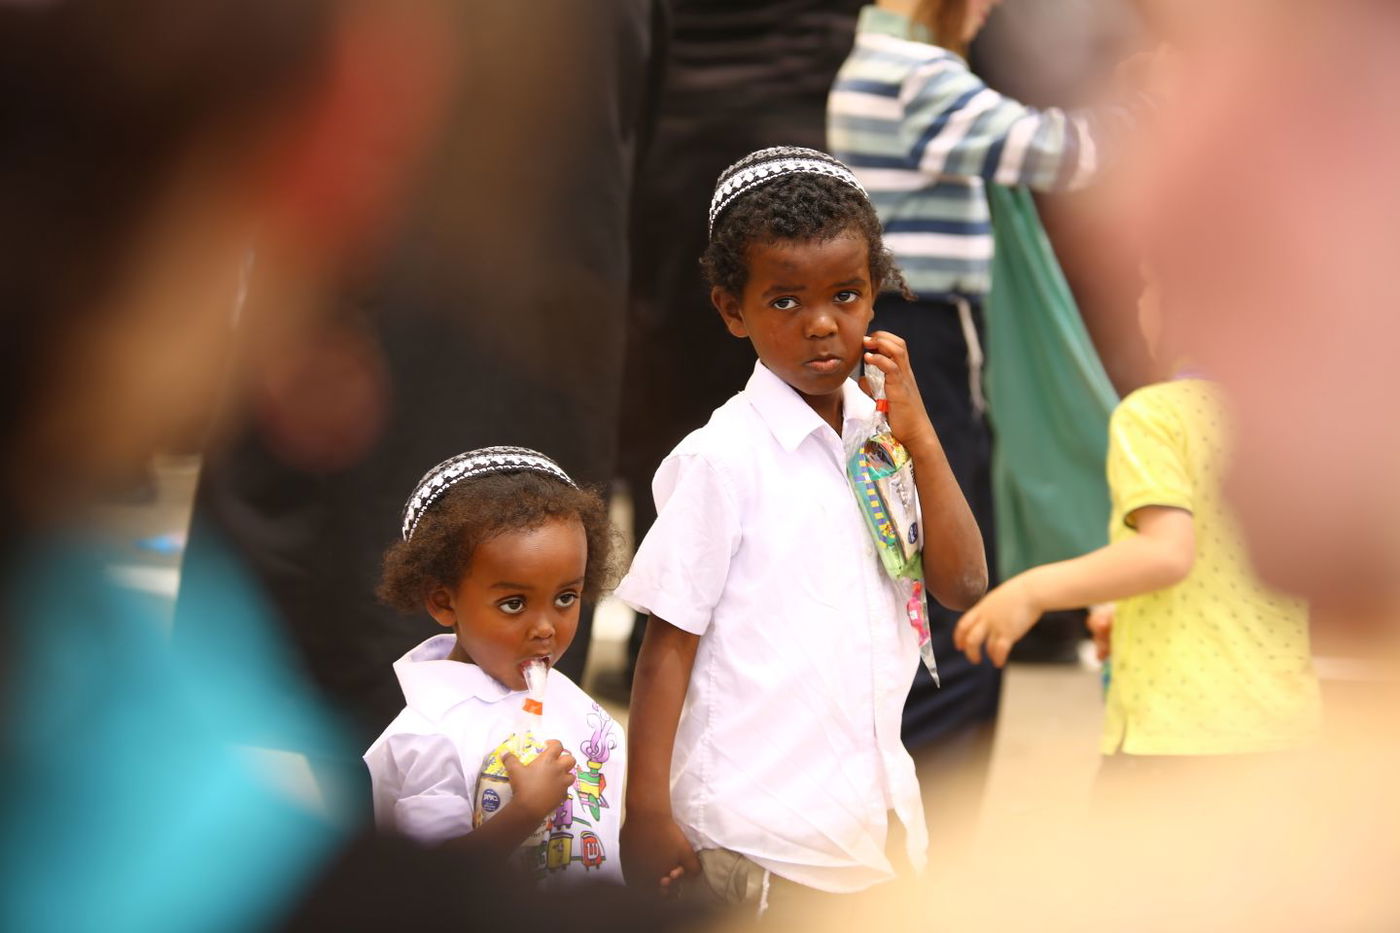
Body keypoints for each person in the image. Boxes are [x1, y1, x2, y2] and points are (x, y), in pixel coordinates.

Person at [616, 147, 986, 913]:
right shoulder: (722, 458)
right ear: (733, 311)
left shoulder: (882, 439)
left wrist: (920, 435)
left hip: (873, 826)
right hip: (755, 839)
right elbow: (667, 645)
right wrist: (646, 812)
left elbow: (963, 583)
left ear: (874, 294)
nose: (822, 324)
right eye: (784, 301)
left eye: (845, 294)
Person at [827, 0, 1146, 757]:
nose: (987, 10)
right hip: (926, 336)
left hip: (917, 331)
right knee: (948, 566)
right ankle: (946, 768)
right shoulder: (917, 73)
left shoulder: (876, 62)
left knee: (922, 551)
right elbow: (1055, 152)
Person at [952, 279, 1321, 771]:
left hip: (1175, 732)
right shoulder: (1297, 425)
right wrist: (1130, 611)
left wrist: (1030, 592)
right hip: (1281, 729)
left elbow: (1166, 553)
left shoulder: (1154, 416)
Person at [365, 447, 628, 886]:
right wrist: (525, 811)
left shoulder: (575, 705)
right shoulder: (429, 737)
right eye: (514, 603)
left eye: (566, 597)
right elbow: (434, 882)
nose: (545, 628)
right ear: (443, 602)